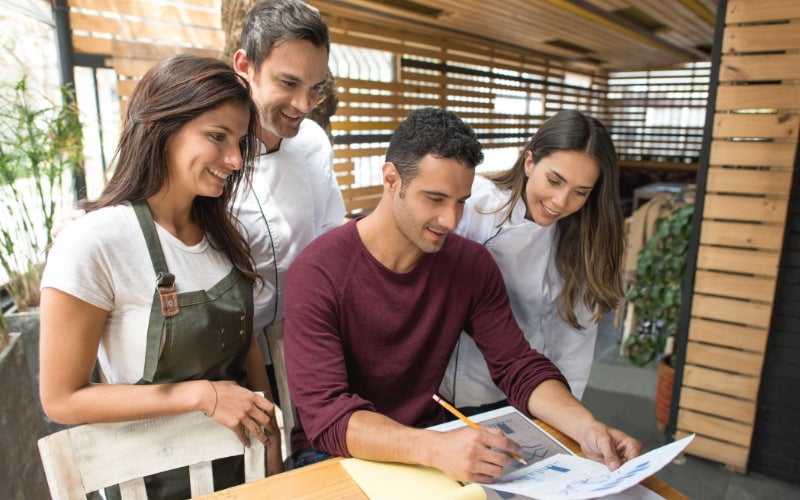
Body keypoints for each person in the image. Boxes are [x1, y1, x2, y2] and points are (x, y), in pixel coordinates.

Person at [283, 107, 641, 483]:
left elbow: (517, 364)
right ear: (391, 179)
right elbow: (327, 417)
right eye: (435, 199)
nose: (451, 221)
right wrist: (434, 448)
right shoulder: (318, 271)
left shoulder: (470, 263)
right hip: (332, 452)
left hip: (428, 444)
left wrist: (587, 428)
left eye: (460, 201)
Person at [39, 54, 282, 498]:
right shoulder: (94, 243)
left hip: (241, 471)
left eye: (240, 142)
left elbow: (243, 342)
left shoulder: (223, 231)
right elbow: (62, 399)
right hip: (150, 481)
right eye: (217, 137)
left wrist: (272, 437)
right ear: (161, 129)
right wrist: (202, 395)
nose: (234, 159)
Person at [440, 109, 624, 410]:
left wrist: (562, 421)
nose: (561, 202)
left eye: (580, 192)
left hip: (505, 394)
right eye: (554, 181)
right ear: (529, 162)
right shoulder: (473, 202)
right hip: (431, 383)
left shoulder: (582, 248)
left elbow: (573, 346)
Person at [230, 0, 346, 382]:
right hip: (229, 356)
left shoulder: (313, 141)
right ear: (245, 67)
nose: (304, 105)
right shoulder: (214, 150)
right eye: (289, 83)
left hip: (303, 345)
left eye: (315, 88)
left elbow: (330, 238)